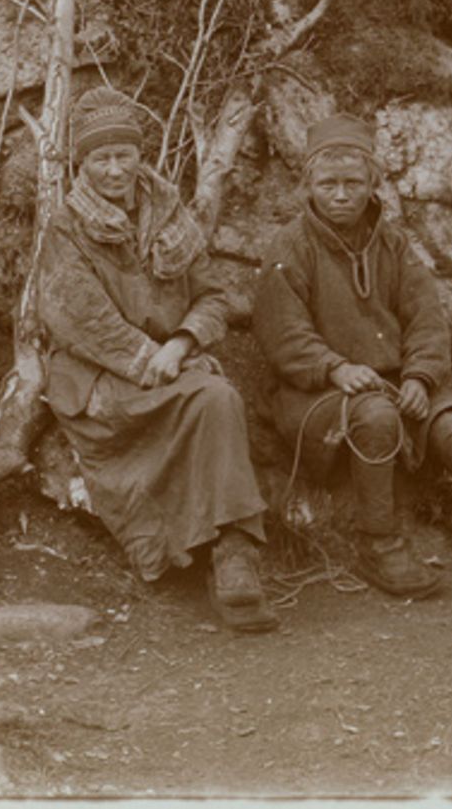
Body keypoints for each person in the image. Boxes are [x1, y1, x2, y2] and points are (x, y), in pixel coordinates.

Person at [251, 114, 452, 610]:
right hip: (313, 394)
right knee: (375, 417)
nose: (340, 195)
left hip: (393, 381)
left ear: (375, 184)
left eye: (353, 183)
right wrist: (336, 368)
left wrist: (421, 376)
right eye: (328, 183)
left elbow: (427, 318)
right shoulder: (288, 248)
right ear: (307, 185)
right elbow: (284, 336)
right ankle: (380, 544)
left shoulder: (394, 245)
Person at [34, 87, 278, 634]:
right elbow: (82, 322)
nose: (115, 169)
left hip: (172, 365)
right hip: (101, 380)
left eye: (125, 154)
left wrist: (184, 343)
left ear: (140, 156)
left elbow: (213, 296)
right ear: (82, 163)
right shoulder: (66, 229)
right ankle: (218, 550)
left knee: (215, 399)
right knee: (208, 399)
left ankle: (234, 556)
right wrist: (152, 359)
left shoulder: (169, 212)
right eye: (101, 158)